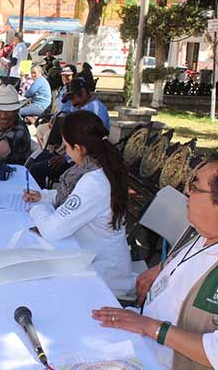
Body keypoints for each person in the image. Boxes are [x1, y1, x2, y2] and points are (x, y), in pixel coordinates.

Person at [92, 151, 218, 370]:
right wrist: (163, 268)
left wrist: (151, 327)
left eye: (196, 187)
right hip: (146, 345)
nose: (187, 191)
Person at [23, 111, 134, 296]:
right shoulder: (100, 167)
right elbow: (76, 200)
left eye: (66, 146)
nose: (65, 151)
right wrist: (45, 197)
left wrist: (36, 208)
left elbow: (52, 230)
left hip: (102, 278)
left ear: (79, 148)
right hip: (95, 259)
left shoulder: (93, 182)